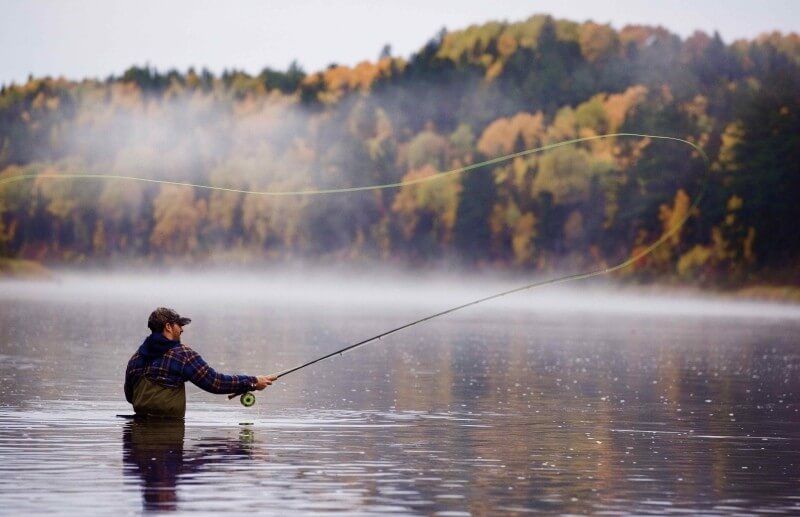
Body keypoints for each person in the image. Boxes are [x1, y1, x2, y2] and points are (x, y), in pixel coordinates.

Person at [125, 307, 276, 417]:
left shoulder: (135, 358)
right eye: (179, 325)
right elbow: (215, 382)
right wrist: (253, 382)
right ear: (168, 327)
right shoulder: (182, 354)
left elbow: (129, 396)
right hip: (169, 435)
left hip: (137, 438)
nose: (182, 329)